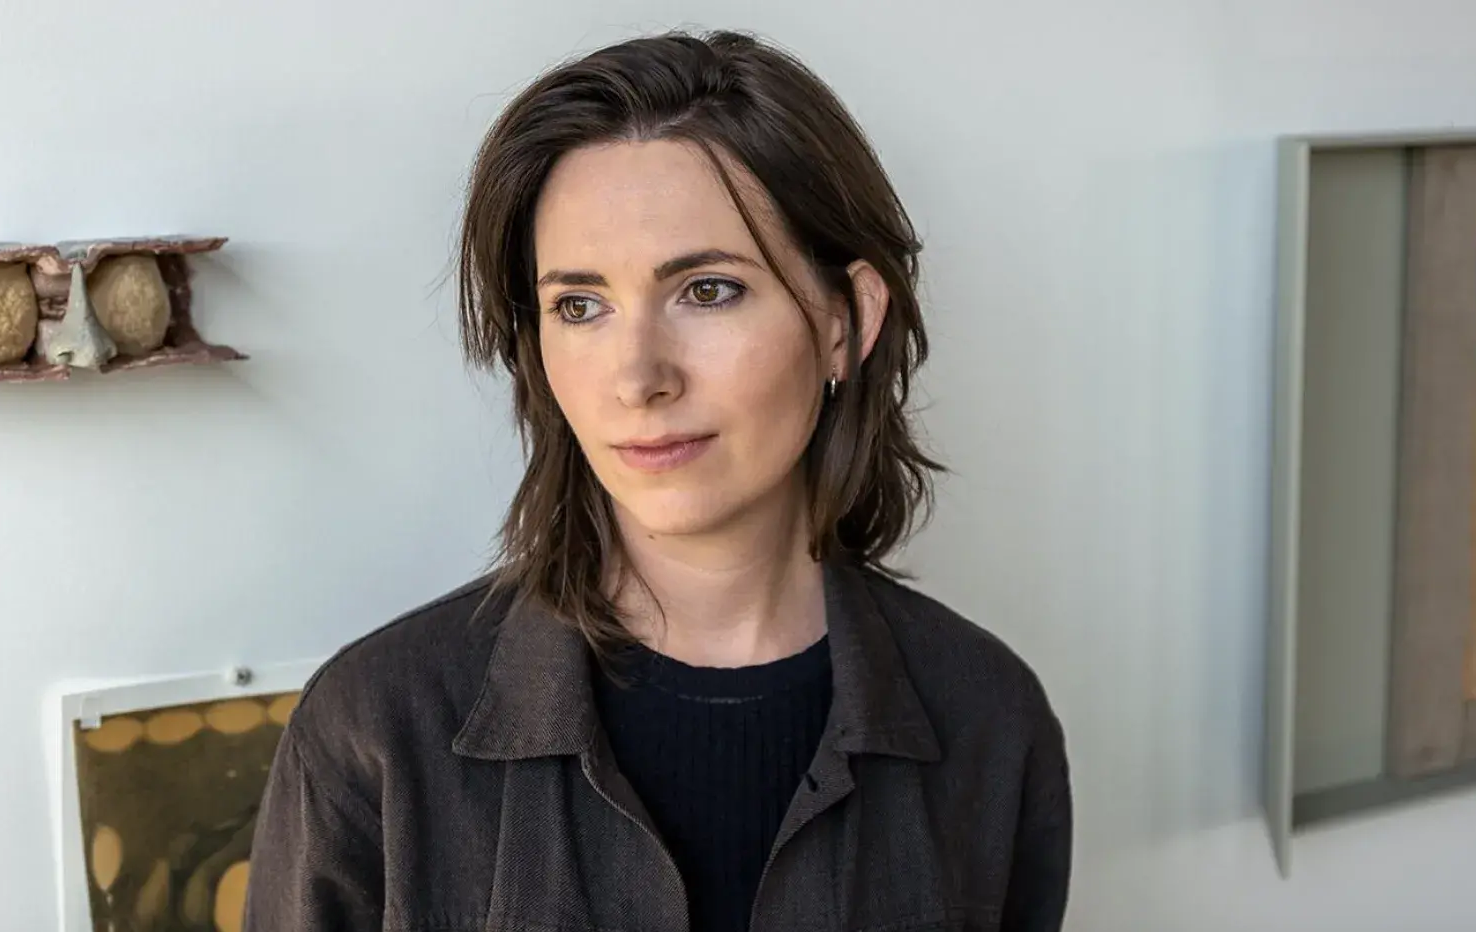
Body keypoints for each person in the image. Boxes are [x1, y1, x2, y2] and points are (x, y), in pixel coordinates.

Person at [243, 28, 1071, 932]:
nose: (638, 378)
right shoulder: (374, 730)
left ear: (846, 321)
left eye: (707, 291)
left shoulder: (990, 719)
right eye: (580, 306)